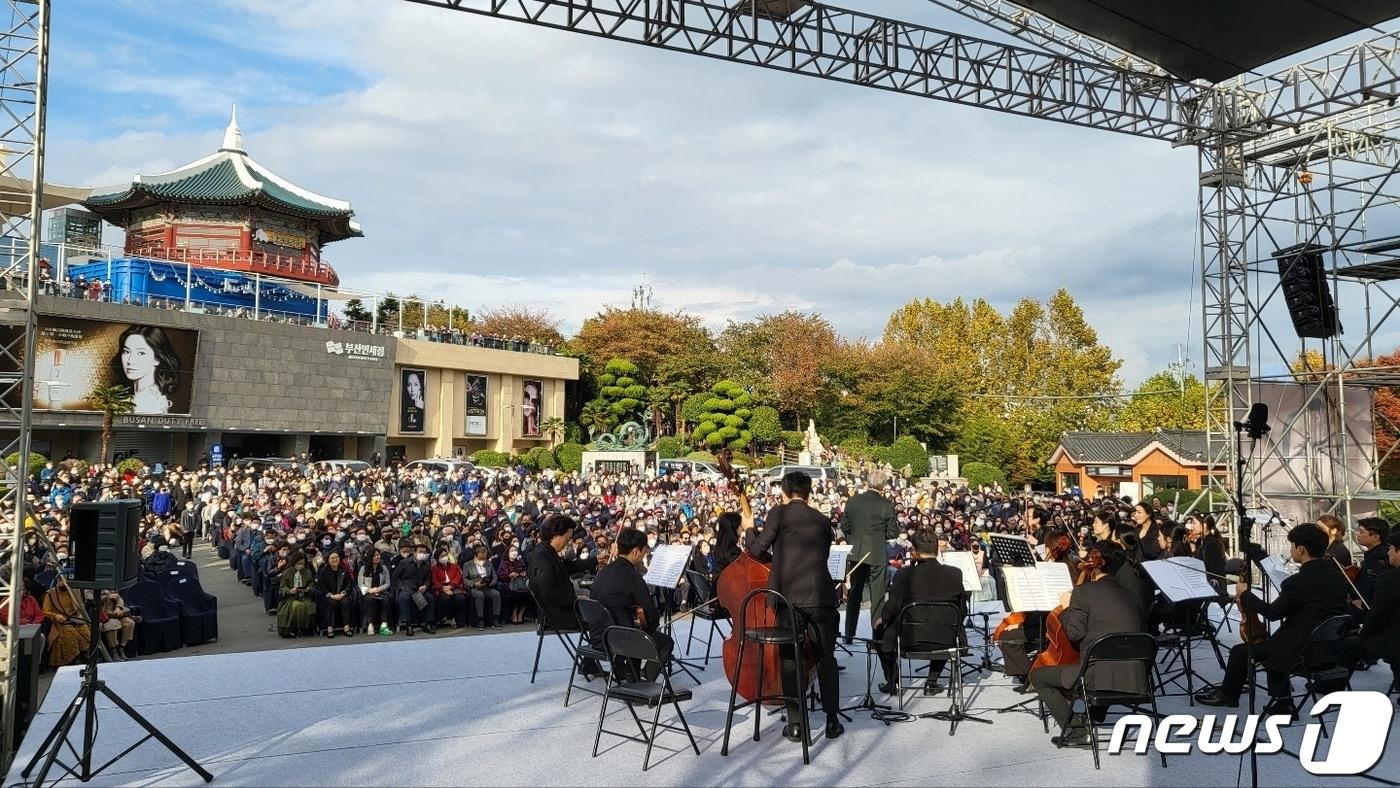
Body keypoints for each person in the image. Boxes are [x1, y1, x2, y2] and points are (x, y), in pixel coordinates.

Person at [1195, 522, 1354, 716]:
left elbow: (1272, 613)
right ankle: (1283, 703)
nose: (1291, 549)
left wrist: (1245, 594)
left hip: (1303, 652)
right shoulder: (1338, 576)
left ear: (1301, 549)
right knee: (1274, 645)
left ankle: (1229, 695)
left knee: (1240, 652)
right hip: (1331, 648)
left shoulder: (1297, 582)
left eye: (1292, 545)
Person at [748, 471, 844, 742]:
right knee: (827, 659)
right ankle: (832, 721)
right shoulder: (823, 521)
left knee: (790, 660)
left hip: (789, 598)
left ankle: (796, 724)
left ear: (785, 492)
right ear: (809, 492)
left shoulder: (779, 513)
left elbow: (756, 550)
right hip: (821, 596)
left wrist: (747, 528)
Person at [1028, 544, 1145, 747]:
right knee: (1107, 658)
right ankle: (1093, 716)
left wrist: (1066, 607)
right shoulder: (1132, 596)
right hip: (1135, 679)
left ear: (1097, 562)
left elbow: (1075, 633)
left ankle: (1078, 731)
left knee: (1038, 676)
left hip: (1096, 679)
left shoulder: (1084, 592)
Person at [874, 529, 966, 695]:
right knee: (945, 624)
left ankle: (893, 682)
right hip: (946, 640)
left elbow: (892, 608)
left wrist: (883, 619)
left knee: (880, 630)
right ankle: (932, 681)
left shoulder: (904, 574)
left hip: (910, 639)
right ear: (937, 550)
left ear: (915, 552)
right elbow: (962, 611)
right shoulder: (955, 574)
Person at [589, 527, 673, 680]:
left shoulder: (604, 571)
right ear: (635, 551)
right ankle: (643, 680)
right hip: (617, 639)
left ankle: (630, 673)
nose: (643, 555)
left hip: (597, 636)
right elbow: (649, 612)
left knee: (636, 628)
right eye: (643, 551)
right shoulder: (632, 576)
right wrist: (652, 625)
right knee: (664, 642)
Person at [840, 470, 899, 644]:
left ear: (867, 482)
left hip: (857, 552)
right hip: (877, 552)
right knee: (878, 596)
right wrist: (880, 535)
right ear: (883, 486)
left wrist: (857, 537)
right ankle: (877, 638)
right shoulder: (885, 505)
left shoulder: (853, 501)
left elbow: (845, 525)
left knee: (854, 595)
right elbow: (894, 531)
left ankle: (849, 635)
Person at [526, 515, 596, 630]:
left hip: (560, 609)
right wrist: (576, 600)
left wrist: (596, 560)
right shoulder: (542, 556)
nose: (568, 542)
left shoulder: (548, 552)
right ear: (556, 535)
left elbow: (567, 567)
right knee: (601, 620)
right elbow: (548, 590)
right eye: (567, 538)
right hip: (557, 614)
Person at [1349, 530, 1400, 681]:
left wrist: (1363, 635)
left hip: (1395, 642)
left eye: (1390, 548)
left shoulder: (1389, 579)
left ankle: (1331, 688)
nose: (1388, 552)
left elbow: (1377, 615)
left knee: (1347, 645)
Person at [110, 325, 183, 415]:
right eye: (126, 351)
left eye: (141, 353)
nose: (130, 361)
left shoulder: (147, 401)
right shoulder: (136, 395)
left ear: (157, 359)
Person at [42, 578, 91, 667]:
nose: (62, 582)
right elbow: (46, 611)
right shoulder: (50, 593)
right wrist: (56, 616)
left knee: (85, 631)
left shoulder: (74, 591)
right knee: (71, 634)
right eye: (60, 580)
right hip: (60, 622)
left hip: (75, 618)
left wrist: (79, 614)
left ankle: (85, 658)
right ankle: (71, 661)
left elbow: (80, 605)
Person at [393, 542, 435, 635]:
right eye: (420, 551)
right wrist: (402, 587)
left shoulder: (427, 565)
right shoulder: (404, 563)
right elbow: (396, 577)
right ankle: (408, 625)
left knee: (430, 598)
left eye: (424, 552)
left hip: (420, 590)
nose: (422, 554)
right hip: (407, 588)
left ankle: (428, 624)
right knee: (404, 597)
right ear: (414, 552)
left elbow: (428, 579)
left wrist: (425, 586)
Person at [1354, 517, 1393, 605]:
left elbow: (1370, 585)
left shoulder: (1376, 558)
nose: (1357, 534)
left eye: (1361, 532)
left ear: (1376, 537)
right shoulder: (1378, 554)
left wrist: (1364, 604)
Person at [277, 553, 317, 637]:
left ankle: (304, 628)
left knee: (308, 606)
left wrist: (308, 589)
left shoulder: (307, 572)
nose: (300, 565)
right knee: (297, 606)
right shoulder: (287, 572)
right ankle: (294, 627)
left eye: (302, 564)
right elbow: (282, 587)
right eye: (299, 563)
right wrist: (290, 591)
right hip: (291, 598)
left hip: (305, 596)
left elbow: (312, 585)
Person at [463, 546, 502, 630]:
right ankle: (480, 620)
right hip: (475, 587)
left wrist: (490, 583)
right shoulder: (467, 565)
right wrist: (474, 584)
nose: (482, 560)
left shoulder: (489, 563)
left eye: (484, 558)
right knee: (480, 595)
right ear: (475, 556)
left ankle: (496, 619)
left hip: (486, 586)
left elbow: (495, 576)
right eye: (480, 558)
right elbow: (465, 579)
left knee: (496, 594)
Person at [317, 550, 354, 638]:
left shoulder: (343, 569)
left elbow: (349, 584)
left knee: (345, 602)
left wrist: (343, 593)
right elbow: (321, 587)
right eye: (332, 558)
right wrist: (331, 595)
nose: (335, 560)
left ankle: (346, 627)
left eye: (336, 557)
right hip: (329, 596)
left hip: (342, 595)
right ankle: (329, 628)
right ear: (328, 560)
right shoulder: (323, 571)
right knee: (331, 603)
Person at [431, 547, 469, 628]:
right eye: (442, 556)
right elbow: (434, 581)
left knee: (460, 598)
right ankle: (451, 618)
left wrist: (451, 586)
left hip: (454, 586)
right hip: (441, 588)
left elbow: (458, 576)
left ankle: (460, 619)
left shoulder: (454, 566)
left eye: (445, 555)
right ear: (437, 559)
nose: (444, 557)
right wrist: (443, 589)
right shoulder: (434, 568)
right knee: (446, 599)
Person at [358, 548, 393, 636]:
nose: (377, 557)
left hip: (381, 591)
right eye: (375, 556)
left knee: (385, 601)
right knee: (371, 601)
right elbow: (360, 583)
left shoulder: (384, 568)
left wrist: (379, 589)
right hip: (368, 592)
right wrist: (369, 590)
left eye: (378, 555)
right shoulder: (363, 568)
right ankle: (370, 625)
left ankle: (384, 625)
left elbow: (388, 583)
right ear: (370, 557)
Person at [99, 591, 137, 660]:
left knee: (130, 623)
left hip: (116, 614)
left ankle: (121, 648)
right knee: (113, 625)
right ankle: (114, 651)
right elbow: (91, 601)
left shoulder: (110, 585)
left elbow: (119, 598)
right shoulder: (91, 586)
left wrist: (118, 607)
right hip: (104, 615)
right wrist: (108, 596)